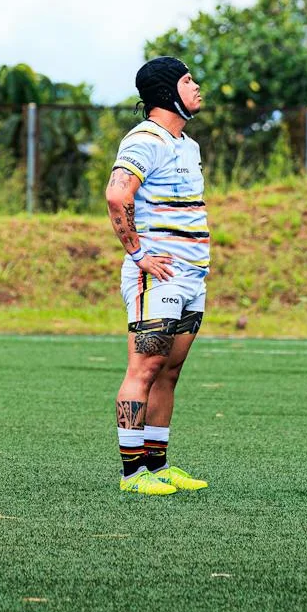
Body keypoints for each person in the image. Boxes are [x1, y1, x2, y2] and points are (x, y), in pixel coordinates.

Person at [105, 55, 213, 496]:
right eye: (189, 80)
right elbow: (117, 194)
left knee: (169, 370)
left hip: (191, 275)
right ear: (169, 91)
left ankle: (158, 465)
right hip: (159, 274)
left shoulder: (187, 144)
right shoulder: (144, 139)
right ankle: (133, 475)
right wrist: (137, 253)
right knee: (144, 366)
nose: (197, 86)